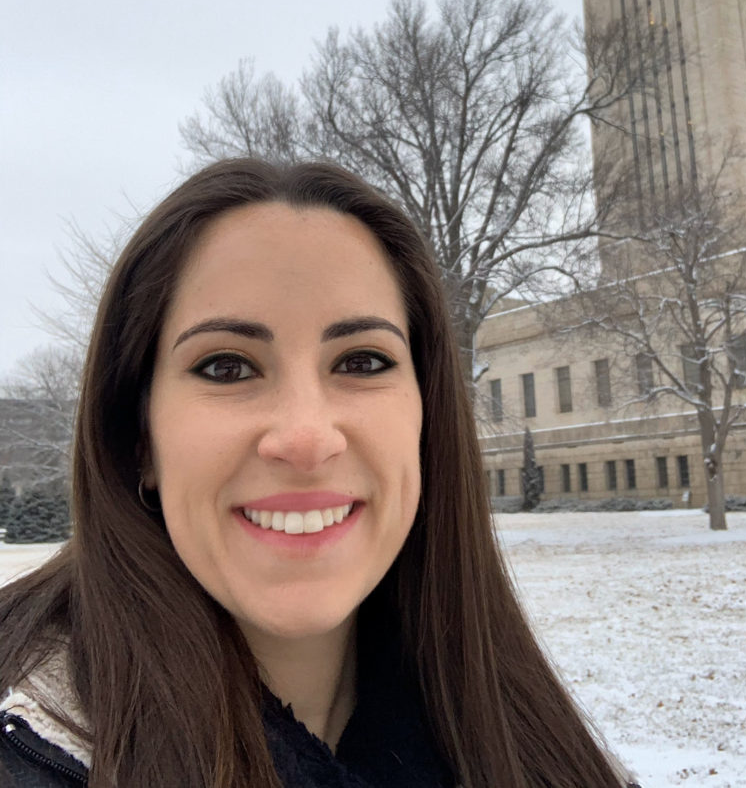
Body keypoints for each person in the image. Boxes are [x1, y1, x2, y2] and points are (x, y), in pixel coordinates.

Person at [0, 158, 636, 788]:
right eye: (227, 367)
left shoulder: (534, 744)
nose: (306, 439)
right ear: (139, 436)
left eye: (361, 361)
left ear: (426, 413)